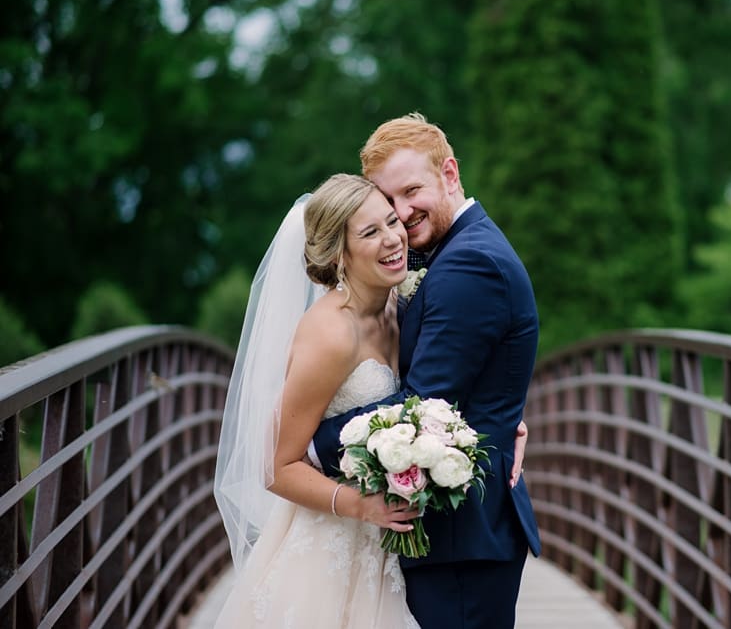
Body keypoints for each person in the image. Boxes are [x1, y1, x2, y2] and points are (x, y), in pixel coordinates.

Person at [311, 113, 542, 629]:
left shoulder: (468, 263)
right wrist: (505, 412)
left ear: (450, 173)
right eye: (388, 201)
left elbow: (423, 401)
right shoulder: (449, 253)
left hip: (462, 538)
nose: (402, 213)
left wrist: (309, 445)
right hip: (453, 534)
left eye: (412, 190)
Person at [213, 174, 423, 627]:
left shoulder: (396, 304)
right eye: (370, 233)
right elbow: (276, 466)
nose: (393, 239)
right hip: (329, 546)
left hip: (383, 546)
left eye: (392, 221)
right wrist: (362, 506)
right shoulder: (331, 334)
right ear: (338, 256)